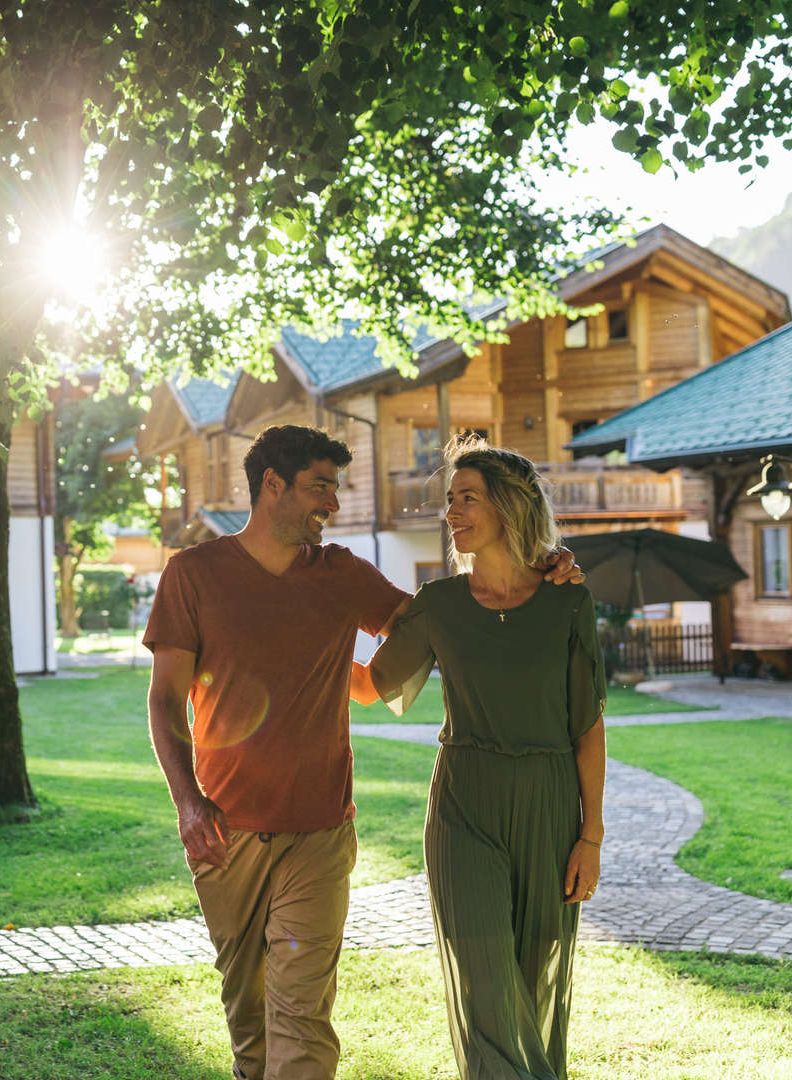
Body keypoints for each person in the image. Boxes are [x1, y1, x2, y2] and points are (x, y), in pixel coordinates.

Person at [144, 424, 580, 1080]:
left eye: (336, 489)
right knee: (250, 1023)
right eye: (320, 486)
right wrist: (188, 803)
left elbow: (443, 622)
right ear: (272, 486)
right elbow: (164, 700)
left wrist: (537, 574)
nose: (334, 504)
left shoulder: (341, 575)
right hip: (224, 835)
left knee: (301, 1016)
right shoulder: (192, 576)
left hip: (321, 833)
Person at [353, 437, 606, 1080]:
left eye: (468, 497)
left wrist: (591, 837)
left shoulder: (567, 600)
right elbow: (370, 685)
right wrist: (293, 646)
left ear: (511, 506)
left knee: (533, 975)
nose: (452, 512)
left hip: (549, 803)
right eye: (449, 500)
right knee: (486, 980)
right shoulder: (438, 605)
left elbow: (588, 725)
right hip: (463, 803)